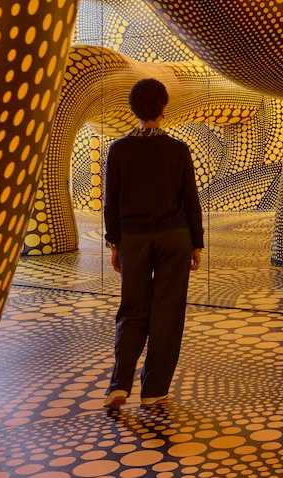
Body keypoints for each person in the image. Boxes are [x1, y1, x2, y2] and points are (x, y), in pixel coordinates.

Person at [102, 79, 204, 409]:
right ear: (163, 108)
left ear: (133, 109)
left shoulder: (118, 150)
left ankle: (119, 385)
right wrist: (196, 243)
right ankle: (153, 390)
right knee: (167, 312)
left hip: (133, 239)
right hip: (174, 238)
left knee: (132, 309)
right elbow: (190, 200)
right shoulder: (177, 149)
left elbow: (111, 202)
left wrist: (115, 243)